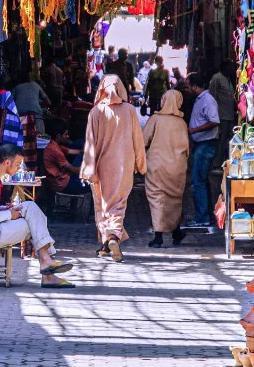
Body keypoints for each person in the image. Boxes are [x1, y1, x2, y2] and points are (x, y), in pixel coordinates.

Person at [0, 143, 74, 288]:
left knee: (30, 207)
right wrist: (9, 214)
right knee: (33, 225)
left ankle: (46, 263)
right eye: (17, 164)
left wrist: (4, 208)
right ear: (7, 162)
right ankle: (47, 267)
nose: (18, 168)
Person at [80, 75, 146, 262]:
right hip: (123, 166)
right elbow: (138, 141)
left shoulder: (96, 112)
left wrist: (88, 169)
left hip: (101, 167)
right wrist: (141, 165)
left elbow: (90, 144)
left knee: (101, 204)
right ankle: (113, 237)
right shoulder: (130, 111)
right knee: (118, 205)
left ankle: (105, 243)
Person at [143, 90, 190, 248]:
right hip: (177, 167)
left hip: (156, 166)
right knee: (174, 200)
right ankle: (176, 232)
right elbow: (187, 149)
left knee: (157, 199)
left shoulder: (155, 119)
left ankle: (158, 237)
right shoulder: (182, 123)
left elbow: (144, 140)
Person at [187, 72, 220, 227]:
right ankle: (207, 215)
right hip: (201, 143)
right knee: (202, 180)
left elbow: (214, 121)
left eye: (188, 85)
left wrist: (196, 130)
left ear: (194, 86)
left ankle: (202, 218)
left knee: (197, 181)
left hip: (206, 143)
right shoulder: (200, 99)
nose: (187, 89)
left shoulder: (207, 100)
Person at [44, 120, 86, 195]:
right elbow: (73, 170)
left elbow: (72, 151)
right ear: (58, 136)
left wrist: (87, 152)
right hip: (62, 184)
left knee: (81, 148)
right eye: (65, 134)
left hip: (64, 178)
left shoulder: (55, 145)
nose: (67, 136)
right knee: (95, 184)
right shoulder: (54, 150)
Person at [209, 60, 237, 168]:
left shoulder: (228, 79)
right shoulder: (217, 78)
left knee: (226, 141)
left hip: (229, 116)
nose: (232, 70)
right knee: (220, 141)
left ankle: (222, 163)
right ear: (224, 67)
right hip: (221, 116)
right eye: (230, 67)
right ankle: (216, 164)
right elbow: (212, 97)